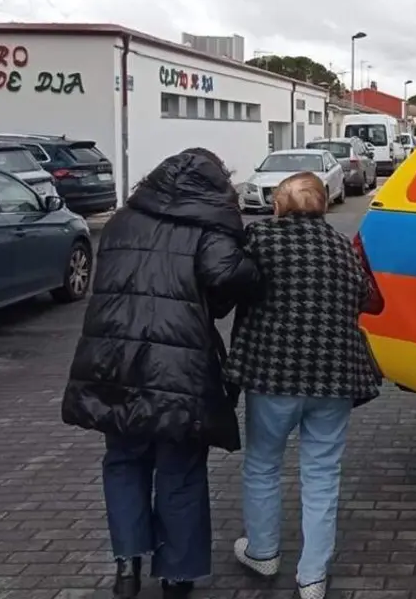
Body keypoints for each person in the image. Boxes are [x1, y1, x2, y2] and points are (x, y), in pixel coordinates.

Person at [61, 148, 259, 599]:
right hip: (178, 368)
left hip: (112, 362)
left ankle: (127, 564)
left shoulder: (122, 221)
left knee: (124, 459)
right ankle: (176, 575)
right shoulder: (207, 228)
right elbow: (228, 276)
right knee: (180, 468)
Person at [223, 171, 383, 599]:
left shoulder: (262, 240)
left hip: (273, 375)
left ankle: (262, 550)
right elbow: (367, 299)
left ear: (280, 205)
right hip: (334, 379)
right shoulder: (340, 245)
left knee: (262, 464)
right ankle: (312, 576)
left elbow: (233, 285)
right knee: (322, 474)